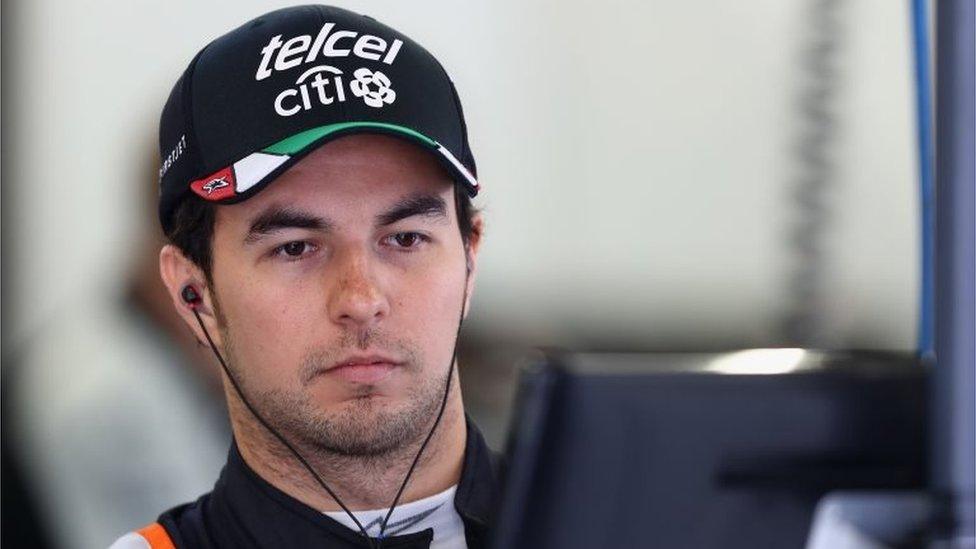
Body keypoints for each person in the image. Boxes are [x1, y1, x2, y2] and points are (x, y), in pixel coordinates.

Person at [110, 5, 499, 548]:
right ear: (194, 297)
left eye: (406, 238)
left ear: (469, 260)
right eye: (295, 248)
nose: (362, 300)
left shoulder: (626, 525)